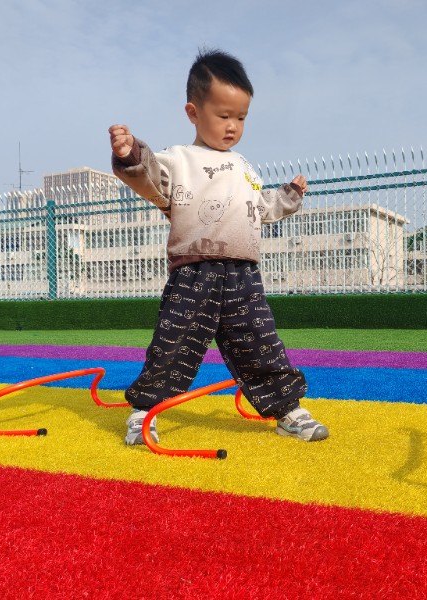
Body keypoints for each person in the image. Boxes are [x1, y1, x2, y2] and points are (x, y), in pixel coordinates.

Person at [109, 48, 329, 446]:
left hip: (243, 273)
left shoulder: (244, 166)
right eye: (223, 115)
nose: (233, 126)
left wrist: (289, 196)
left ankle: (286, 409)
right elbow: (150, 177)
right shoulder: (179, 159)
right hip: (195, 270)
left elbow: (261, 207)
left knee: (261, 340)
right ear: (193, 113)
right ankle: (145, 412)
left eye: (241, 118)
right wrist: (130, 154)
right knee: (173, 342)